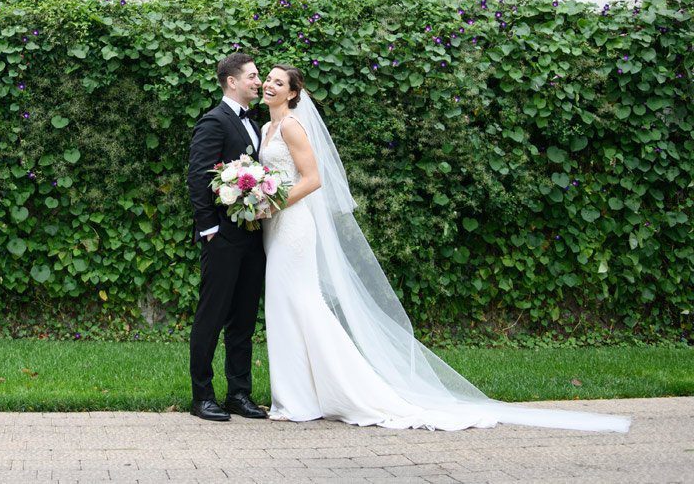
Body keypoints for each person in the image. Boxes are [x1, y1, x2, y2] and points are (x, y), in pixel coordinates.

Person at [257, 63, 631, 433]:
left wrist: (272, 203)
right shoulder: (265, 127)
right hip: (274, 226)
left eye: (278, 82)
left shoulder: (291, 126)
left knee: (298, 303)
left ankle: (308, 398)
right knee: (286, 305)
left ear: (292, 93)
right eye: (268, 80)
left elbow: (313, 180)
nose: (270, 85)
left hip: (294, 227)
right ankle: (302, 395)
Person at [185, 52, 268, 422]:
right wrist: (210, 230)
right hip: (222, 238)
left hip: (253, 236)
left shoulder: (257, 123)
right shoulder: (213, 122)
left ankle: (239, 393)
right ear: (231, 81)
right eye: (252, 76)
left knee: (244, 319)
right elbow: (198, 177)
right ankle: (202, 396)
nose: (258, 81)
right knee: (212, 315)